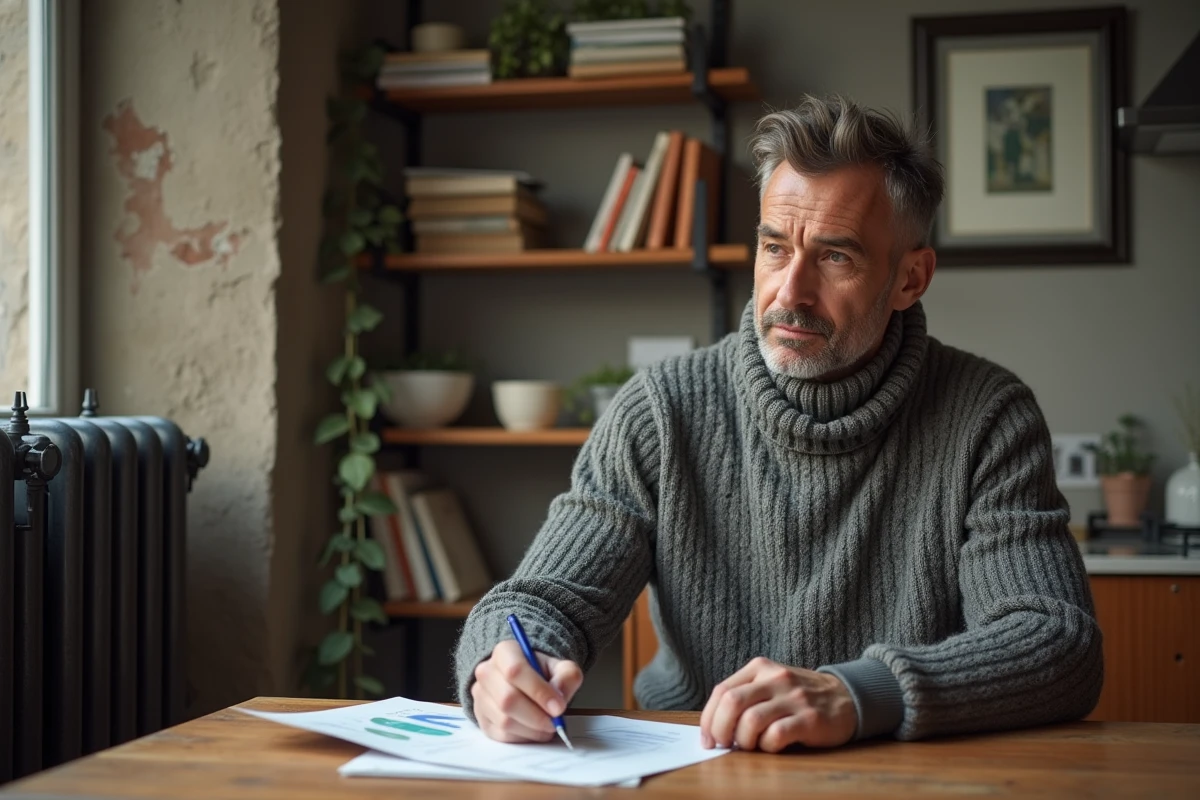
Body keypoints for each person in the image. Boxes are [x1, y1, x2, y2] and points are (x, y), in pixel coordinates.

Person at [453, 94, 1102, 752]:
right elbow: (545, 600)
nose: (789, 292)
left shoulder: (987, 417)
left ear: (910, 278)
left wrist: (859, 694)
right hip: (699, 771)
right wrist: (501, 664)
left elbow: (1056, 639)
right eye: (773, 248)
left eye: (835, 257)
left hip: (905, 777)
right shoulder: (660, 413)